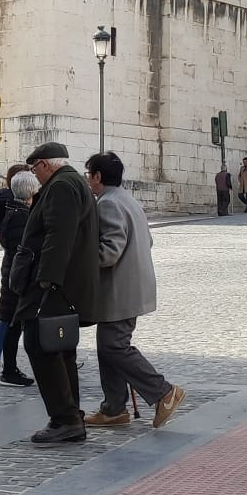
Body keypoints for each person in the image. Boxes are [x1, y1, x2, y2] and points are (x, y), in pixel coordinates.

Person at [83, 153, 184, 429]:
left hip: (120, 291)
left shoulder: (108, 204)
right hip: (131, 286)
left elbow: (110, 251)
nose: (87, 179)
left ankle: (163, 391)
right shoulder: (126, 199)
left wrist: (81, 260)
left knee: (114, 346)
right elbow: (147, 241)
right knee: (108, 347)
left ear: (98, 176)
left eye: (88, 173)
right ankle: (114, 408)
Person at [14, 141, 99, 444]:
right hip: (66, 284)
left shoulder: (62, 186)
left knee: (41, 344)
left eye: (34, 168)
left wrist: (46, 281)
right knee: (59, 349)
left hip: (53, 285)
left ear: (45, 164)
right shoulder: (74, 183)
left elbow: (57, 236)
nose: (34, 175)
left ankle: (64, 418)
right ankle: (70, 415)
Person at [0, 169, 38, 387]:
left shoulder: (12, 212)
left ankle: (10, 368)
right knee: (14, 324)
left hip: (11, 274)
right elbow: (23, 251)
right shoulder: (20, 216)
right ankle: (9, 370)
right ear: (30, 191)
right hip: (17, 278)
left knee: (13, 323)